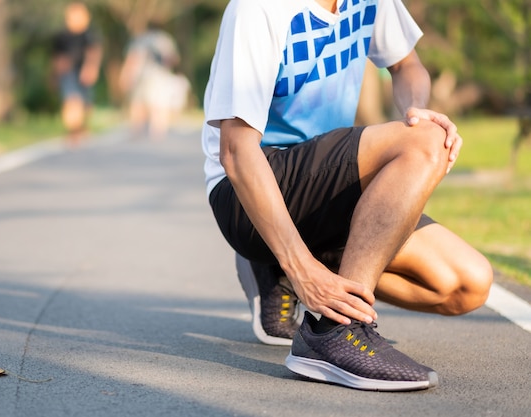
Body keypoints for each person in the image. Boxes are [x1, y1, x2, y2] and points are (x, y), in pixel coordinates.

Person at [202, 0, 493, 391]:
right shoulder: (258, 9)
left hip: (326, 185)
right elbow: (236, 152)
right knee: (426, 143)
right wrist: (303, 271)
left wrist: (416, 110)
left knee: (465, 284)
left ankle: (280, 268)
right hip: (247, 190)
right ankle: (334, 331)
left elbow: (408, 66)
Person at [119, 26, 190, 140]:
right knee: (158, 105)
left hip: (141, 76)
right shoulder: (165, 39)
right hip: (159, 76)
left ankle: (136, 133)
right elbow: (173, 58)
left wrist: (126, 75)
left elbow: (132, 58)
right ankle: (157, 135)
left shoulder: (139, 39)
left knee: (138, 103)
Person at [52, 2, 102, 145]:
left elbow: (93, 52)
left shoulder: (90, 34)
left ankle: (81, 127)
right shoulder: (61, 36)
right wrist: (55, 74)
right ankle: (73, 130)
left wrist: (91, 68)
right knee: (71, 100)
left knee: (86, 103)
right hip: (68, 72)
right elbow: (56, 57)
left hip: (84, 71)